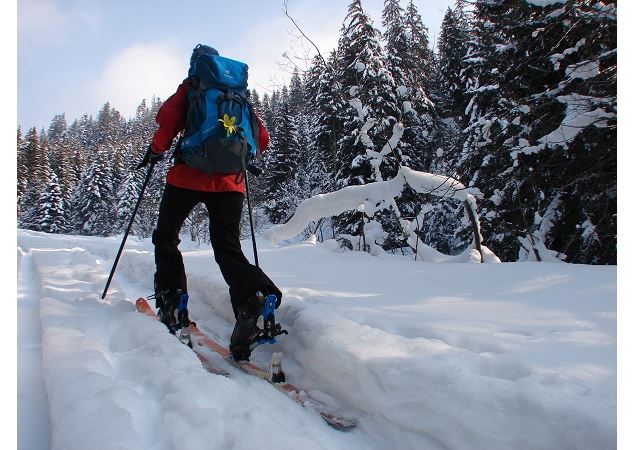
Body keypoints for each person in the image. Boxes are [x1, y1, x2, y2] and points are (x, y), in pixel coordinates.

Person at [140, 44, 282, 361]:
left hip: (187, 177)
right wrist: (243, 158)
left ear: (196, 64)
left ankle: (173, 304)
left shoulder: (193, 87)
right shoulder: (238, 96)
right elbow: (262, 138)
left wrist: (155, 151)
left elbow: (168, 121)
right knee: (227, 246)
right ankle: (252, 299)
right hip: (231, 183)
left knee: (166, 238)